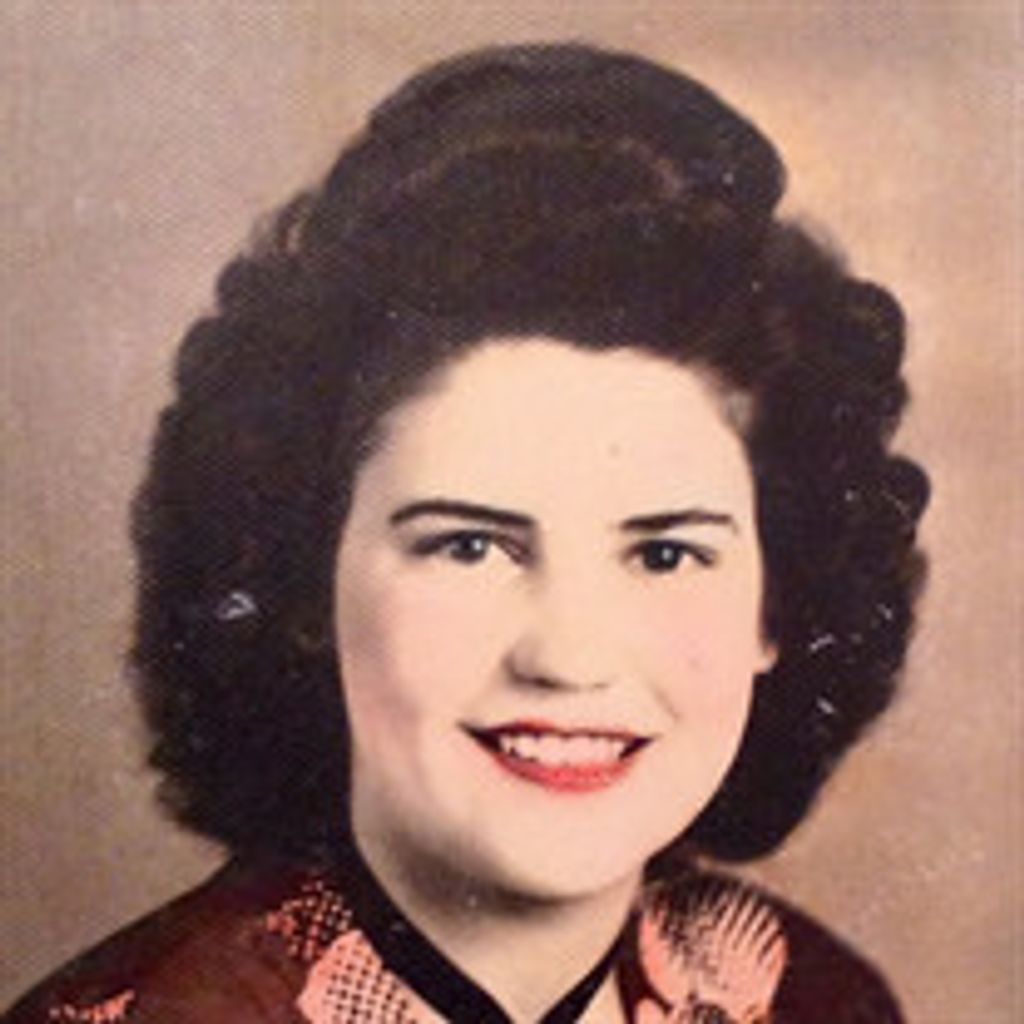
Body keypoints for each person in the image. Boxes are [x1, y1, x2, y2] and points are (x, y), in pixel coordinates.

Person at [5, 42, 929, 1023]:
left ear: (776, 607)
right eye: (470, 546)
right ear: (305, 582)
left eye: (664, 554)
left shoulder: (808, 998)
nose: (568, 657)